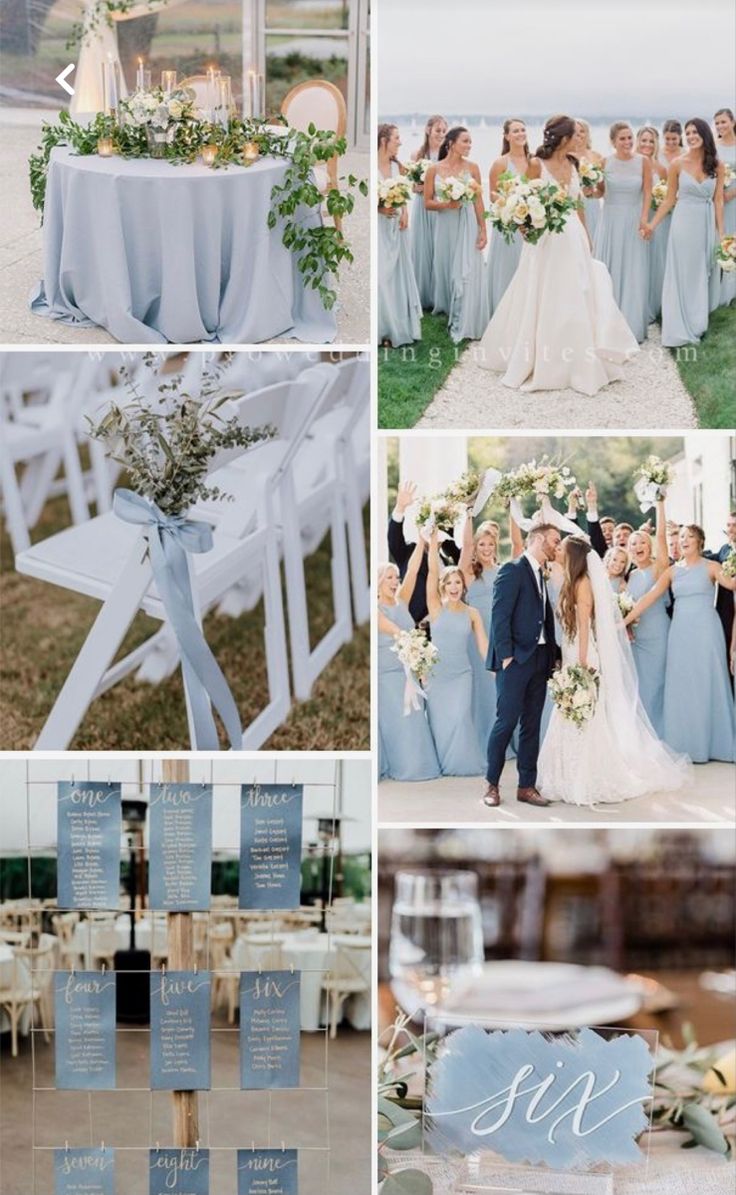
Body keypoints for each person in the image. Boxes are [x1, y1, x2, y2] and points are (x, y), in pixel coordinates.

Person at [477, 114, 638, 396]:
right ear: (563, 138)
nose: (581, 138)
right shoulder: (537, 164)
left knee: (579, 290)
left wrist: (587, 238)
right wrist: (525, 227)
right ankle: (543, 357)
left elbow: (577, 205)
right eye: (576, 134)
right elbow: (521, 199)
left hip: (573, 235)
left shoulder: (575, 163)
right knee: (546, 292)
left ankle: (580, 355)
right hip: (547, 238)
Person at [538, 537, 690, 804]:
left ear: (572, 555)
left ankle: (589, 776)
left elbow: (585, 626)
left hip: (583, 655)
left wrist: (582, 662)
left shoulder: (584, 583)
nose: (557, 550)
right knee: (569, 714)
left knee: (586, 715)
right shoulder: (569, 579)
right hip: (572, 651)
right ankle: (567, 775)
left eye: (562, 547)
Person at [624, 524, 736, 763]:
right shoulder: (672, 571)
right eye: (682, 536)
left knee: (709, 679)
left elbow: (732, 585)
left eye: (690, 536)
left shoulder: (712, 566)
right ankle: (687, 744)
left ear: (700, 541)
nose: (684, 540)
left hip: (706, 628)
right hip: (680, 631)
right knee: (683, 683)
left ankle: (717, 743)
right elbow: (649, 597)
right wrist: (624, 621)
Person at [483, 523, 561, 808]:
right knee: (505, 723)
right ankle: (491, 785)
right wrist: (506, 656)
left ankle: (526, 786)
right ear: (539, 540)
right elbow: (499, 615)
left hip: (540, 660)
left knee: (531, 724)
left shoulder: (542, 574)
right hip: (515, 661)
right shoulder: (512, 570)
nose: (557, 546)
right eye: (555, 541)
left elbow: (543, 618)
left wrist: (554, 654)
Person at [646, 118, 726, 347]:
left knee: (699, 271)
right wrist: (652, 225)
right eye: (687, 133)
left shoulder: (717, 164)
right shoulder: (677, 165)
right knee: (682, 272)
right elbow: (670, 199)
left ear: (704, 134)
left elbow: (718, 200)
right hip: (683, 223)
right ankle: (677, 326)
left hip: (705, 223)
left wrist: (722, 234)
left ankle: (697, 321)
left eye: (694, 132)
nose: (690, 136)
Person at [425, 534, 489, 776]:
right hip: (437, 675)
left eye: (458, 583)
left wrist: (494, 669)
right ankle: (443, 764)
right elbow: (432, 573)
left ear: (464, 586)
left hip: (462, 674)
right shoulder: (435, 607)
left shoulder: (472, 613)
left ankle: (461, 764)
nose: (453, 587)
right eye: (449, 583)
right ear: (444, 586)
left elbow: (483, 645)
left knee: (461, 716)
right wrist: (432, 546)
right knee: (441, 723)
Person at [377, 549, 441, 782]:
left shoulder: (401, 601)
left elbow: (412, 570)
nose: (395, 582)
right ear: (378, 582)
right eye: (389, 578)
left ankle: (420, 765)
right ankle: (403, 766)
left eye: (396, 578)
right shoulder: (376, 610)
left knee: (415, 717)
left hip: (409, 671)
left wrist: (423, 539)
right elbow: (396, 632)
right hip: (389, 675)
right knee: (401, 720)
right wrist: (418, 646)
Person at [425, 126, 489, 342]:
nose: (469, 145)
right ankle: (448, 306)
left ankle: (465, 313)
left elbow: (478, 200)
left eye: (470, 142)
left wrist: (483, 229)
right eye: (465, 141)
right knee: (446, 266)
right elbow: (427, 203)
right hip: (445, 225)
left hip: (467, 223)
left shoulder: (473, 168)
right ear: (451, 142)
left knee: (466, 269)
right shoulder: (434, 169)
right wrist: (447, 204)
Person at [595, 121, 653, 342]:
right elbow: (599, 192)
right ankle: (607, 326)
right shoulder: (604, 163)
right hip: (610, 220)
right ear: (613, 141)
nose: (628, 142)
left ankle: (631, 327)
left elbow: (647, 192)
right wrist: (589, 188)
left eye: (630, 138)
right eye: (622, 138)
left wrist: (644, 219)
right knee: (608, 270)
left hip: (633, 220)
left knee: (632, 270)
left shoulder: (643, 162)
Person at [626, 500, 671, 737]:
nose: (638, 546)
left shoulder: (658, 568)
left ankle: (662, 733)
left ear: (650, 546)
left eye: (642, 542)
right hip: (637, 640)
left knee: (657, 685)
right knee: (639, 688)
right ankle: (644, 736)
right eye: (633, 543)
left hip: (658, 634)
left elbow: (662, 537)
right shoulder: (630, 575)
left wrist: (660, 505)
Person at [387, 480, 460, 623]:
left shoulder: (448, 561)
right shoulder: (409, 552)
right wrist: (400, 507)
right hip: (413, 624)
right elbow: (394, 539)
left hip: (442, 624)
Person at [377, 123, 422, 348]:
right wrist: (379, 208)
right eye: (396, 138)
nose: (400, 142)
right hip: (379, 226)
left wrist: (405, 212)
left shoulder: (398, 167)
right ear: (384, 140)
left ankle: (396, 327)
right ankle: (382, 327)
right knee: (381, 276)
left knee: (397, 276)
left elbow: (404, 193)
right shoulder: (372, 165)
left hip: (397, 226)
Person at [486, 119, 529, 315]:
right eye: (515, 131)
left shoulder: (534, 160)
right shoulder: (500, 163)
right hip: (509, 224)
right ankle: (504, 314)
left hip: (530, 223)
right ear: (507, 136)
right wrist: (511, 206)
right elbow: (493, 195)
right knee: (508, 268)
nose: (520, 133)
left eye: (522, 130)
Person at [410, 115, 448, 308]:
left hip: (440, 205)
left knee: (440, 246)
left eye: (443, 131)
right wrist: (420, 187)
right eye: (437, 130)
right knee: (423, 247)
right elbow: (413, 187)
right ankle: (423, 294)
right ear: (428, 130)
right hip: (422, 206)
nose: (441, 134)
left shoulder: (448, 155)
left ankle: (440, 293)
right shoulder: (418, 155)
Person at [713, 107, 736, 307]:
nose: (720, 126)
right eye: (717, 123)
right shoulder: (714, 146)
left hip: (734, 197)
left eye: (723, 121)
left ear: (732, 122)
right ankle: (722, 290)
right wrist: (718, 193)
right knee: (722, 238)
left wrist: (732, 193)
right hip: (718, 200)